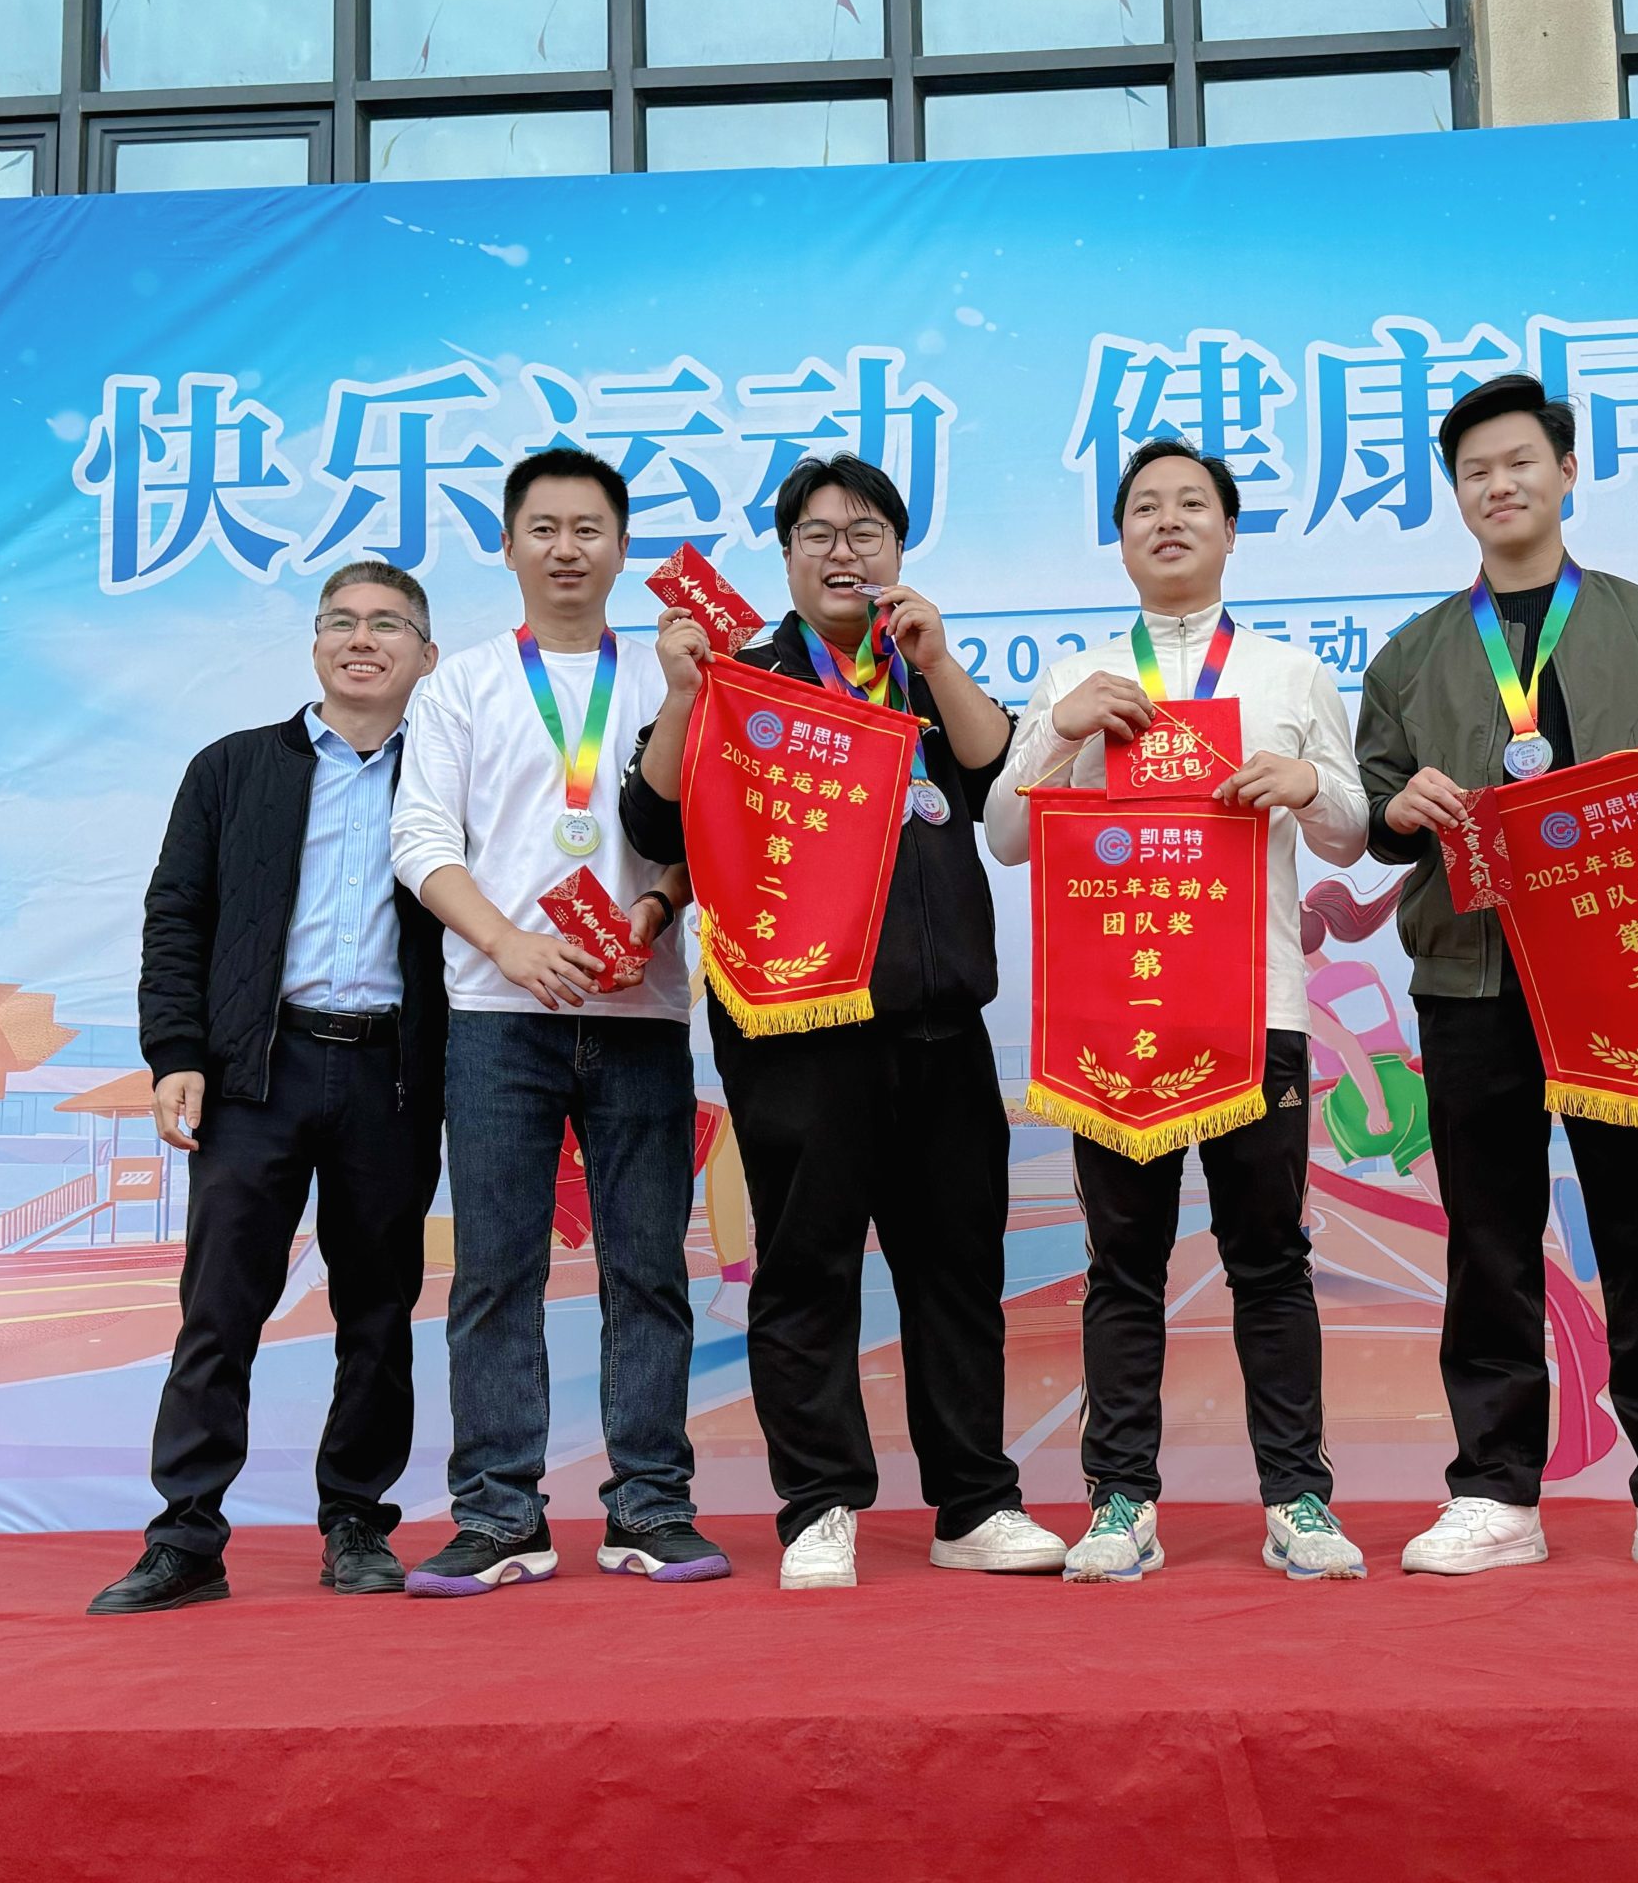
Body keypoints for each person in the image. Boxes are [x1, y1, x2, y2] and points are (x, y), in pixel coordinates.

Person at [1356, 372, 1638, 1584]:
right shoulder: (1412, 654)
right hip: (1471, 976)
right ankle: (1494, 1491)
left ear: (1565, 472)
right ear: (1455, 495)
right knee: (1488, 1237)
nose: (1498, 485)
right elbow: (1375, 804)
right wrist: (1397, 806)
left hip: (1622, 967)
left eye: (1518, 463)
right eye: (1474, 472)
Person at [624, 452, 1066, 1590]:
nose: (842, 552)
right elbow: (653, 819)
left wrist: (941, 662)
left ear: (898, 551)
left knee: (955, 1272)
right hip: (795, 1029)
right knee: (806, 1270)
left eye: (866, 532)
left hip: (939, 1023)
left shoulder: (921, 670)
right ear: (785, 556)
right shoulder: (741, 674)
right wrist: (683, 697)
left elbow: (1002, 784)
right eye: (817, 533)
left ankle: (975, 1504)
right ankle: (819, 1504)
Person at [984, 436, 1371, 1584]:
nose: (1167, 520)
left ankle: (1297, 1497)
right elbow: (1006, 836)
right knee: (1123, 1264)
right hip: (1113, 1016)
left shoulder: (1291, 675)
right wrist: (1059, 729)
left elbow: (1353, 832)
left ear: (1230, 531)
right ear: (1119, 539)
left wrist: (1309, 784)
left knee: (1270, 1259)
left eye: (1191, 503)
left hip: (1256, 1008)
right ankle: (1120, 1502)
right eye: (1144, 506)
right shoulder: (1079, 677)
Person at [391, 448, 723, 1595]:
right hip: (498, 1018)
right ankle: (499, 1515)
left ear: (623, 548)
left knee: (648, 1271)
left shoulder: (669, 677)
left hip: (640, 1012)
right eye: (544, 528)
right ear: (507, 546)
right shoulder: (463, 686)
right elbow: (421, 842)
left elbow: (700, 833)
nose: (567, 548)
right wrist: (509, 945)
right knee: (494, 1274)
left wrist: (653, 909)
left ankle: (651, 1506)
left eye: (589, 528)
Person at [91, 562, 447, 1615]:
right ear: (316, 644)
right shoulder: (231, 768)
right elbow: (176, 916)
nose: (362, 639)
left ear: (426, 655)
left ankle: (357, 1522)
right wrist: (176, 1053)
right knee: (220, 1306)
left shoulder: (448, 778)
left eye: (388, 624)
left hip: (391, 1072)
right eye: (341, 621)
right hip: (258, 1070)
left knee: (378, 1310)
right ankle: (185, 1536)